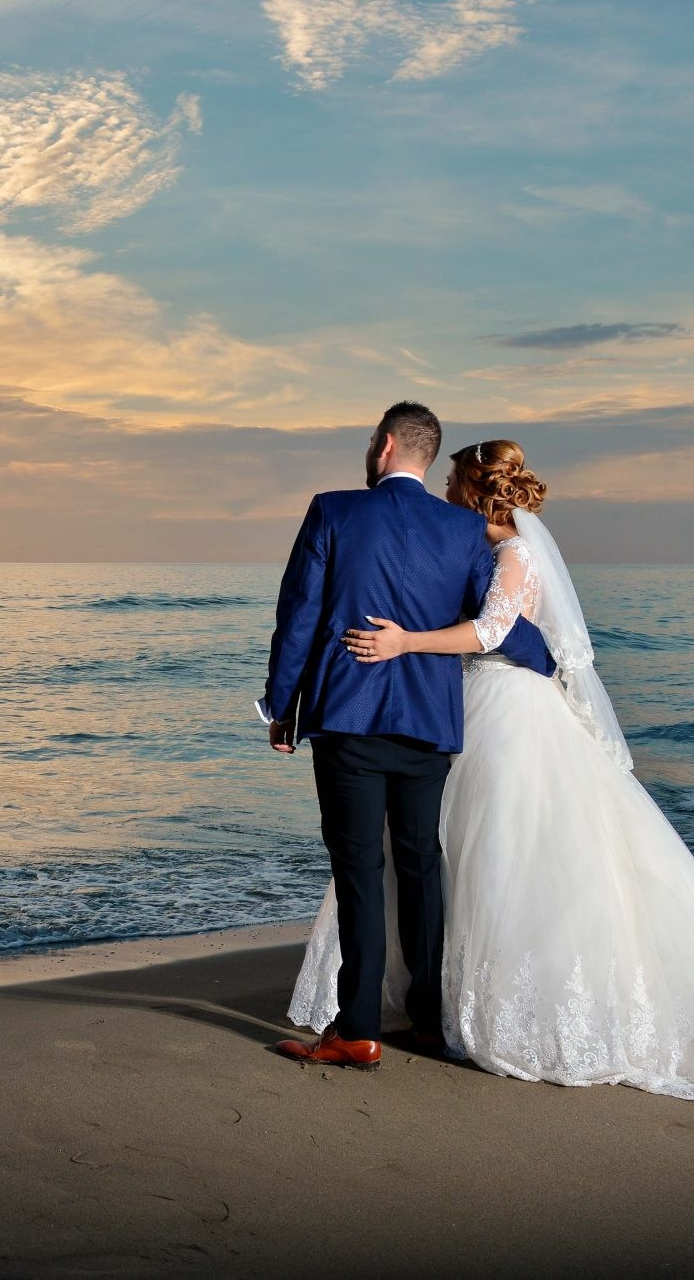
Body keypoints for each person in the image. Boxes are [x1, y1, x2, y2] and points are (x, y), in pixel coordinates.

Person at [290, 438, 694, 1101]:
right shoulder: (481, 548)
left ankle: (501, 1007)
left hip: (509, 711)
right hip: (481, 704)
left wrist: (405, 641)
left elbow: (491, 631)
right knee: (453, 858)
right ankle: (437, 1004)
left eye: (454, 483)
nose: (446, 493)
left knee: (504, 858)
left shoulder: (515, 552)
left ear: (476, 489)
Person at [258, 403, 556, 1072]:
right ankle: (427, 1020)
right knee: (422, 865)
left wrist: (281, 704)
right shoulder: (461, 528)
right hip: (430, 723)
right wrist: (552, 667)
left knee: (361, 868)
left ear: (385, 445)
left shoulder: (333, 511)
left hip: (349, 720)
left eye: (371, 440)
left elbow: (300, 611)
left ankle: (357, 1030)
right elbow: (496, 621)